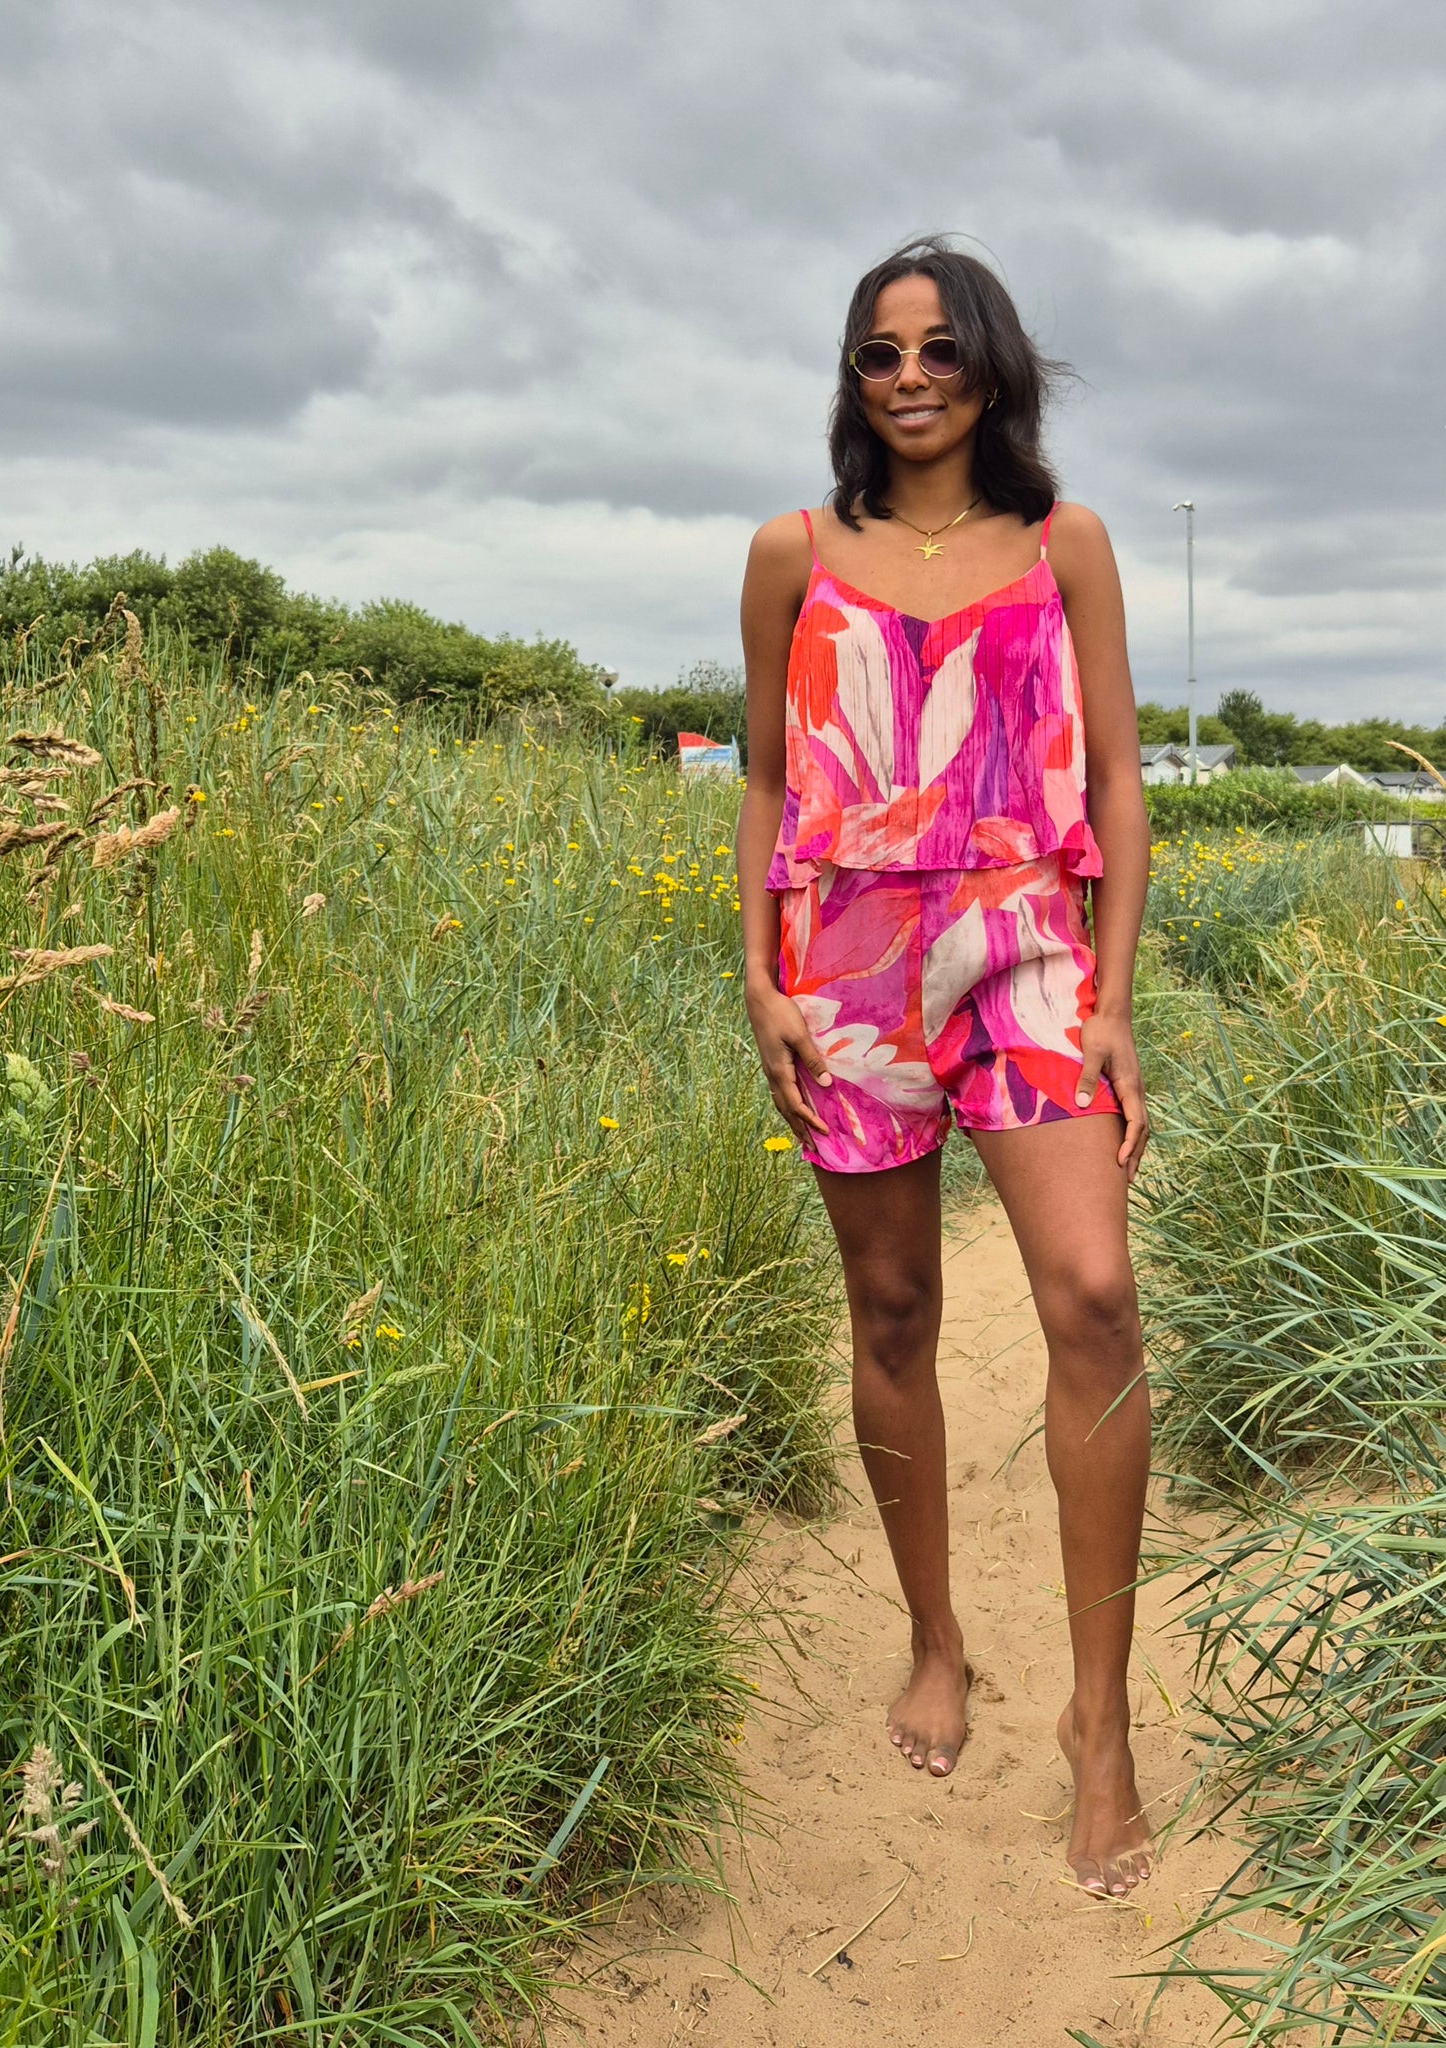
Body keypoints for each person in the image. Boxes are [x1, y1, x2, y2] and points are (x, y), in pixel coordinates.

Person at [736, 236, 1153, 1900]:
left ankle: (1100, 1727)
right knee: (894, 1312)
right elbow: (764, 784)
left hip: (1031, 943)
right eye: (879, 353)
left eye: (939, 349)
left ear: (993, 366)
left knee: (1096, 1297)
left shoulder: (1070, 546)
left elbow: (1119, 782)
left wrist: (1114, 992)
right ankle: (935, 1638)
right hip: (845, 960)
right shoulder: (791, 552)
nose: (909, 377)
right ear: (855, 379)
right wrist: (755, 977)